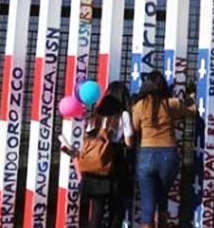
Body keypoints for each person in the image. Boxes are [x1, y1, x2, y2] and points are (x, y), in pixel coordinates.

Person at [131, 71, 195, 228]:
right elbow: (192, 113)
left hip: (146, 154)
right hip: (168, 154)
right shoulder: (172, 104)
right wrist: (191, 97)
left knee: (147, 203)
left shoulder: (139, 106)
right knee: (162, 195)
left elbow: (134, 128)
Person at [78, 81, 133, 228]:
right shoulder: (124, 115)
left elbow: (88, 137)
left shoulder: (95, 114)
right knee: (117, 209)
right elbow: (129, 142)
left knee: (97, 211)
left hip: (95, 166)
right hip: (115, 164)